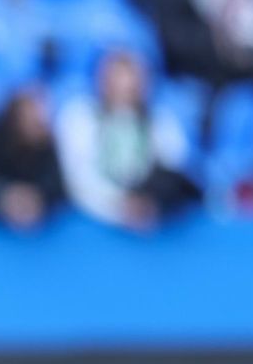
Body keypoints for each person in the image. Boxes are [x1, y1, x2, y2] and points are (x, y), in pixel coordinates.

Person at [57, 49, 202, 231]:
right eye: (116, 82)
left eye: (132, 84)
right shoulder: (79, 117)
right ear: (102, 82)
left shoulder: (162, 123)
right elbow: (79, 176)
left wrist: (149, 202)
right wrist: (120, 206)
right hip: (91, 229)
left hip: (148, 223)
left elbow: (174, 169)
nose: (125, 90)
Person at [0, 87, 67, 231]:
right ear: (16, 118)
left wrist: (37, 198)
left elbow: (57, 185)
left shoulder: (47, 139)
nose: (41, 122)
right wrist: (5, 196)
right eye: (33, 119)